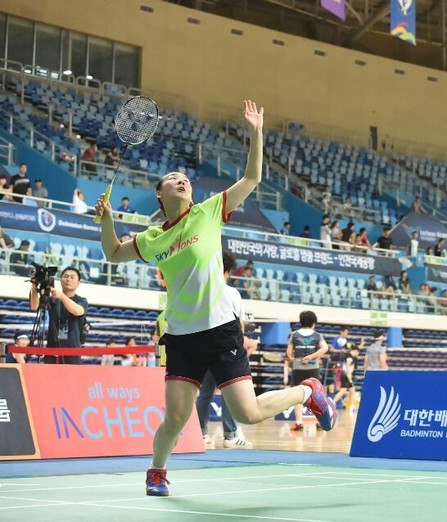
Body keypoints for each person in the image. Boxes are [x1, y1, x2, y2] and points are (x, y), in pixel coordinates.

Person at [95, 100, 336, 497]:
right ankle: (157, 472)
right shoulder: (152, 238)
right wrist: (107, 221)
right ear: (159, 194)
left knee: (249, 413)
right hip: (182, 336)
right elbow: (112, 253)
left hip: (221, 330)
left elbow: (252, 177)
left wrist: (256, 132)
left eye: (184, 177)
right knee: (175, 417)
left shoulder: (207, 212)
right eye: (173, 178)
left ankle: (308, 390)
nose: (181, 180)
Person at [196, 252, 254, 449]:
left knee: (205, 394)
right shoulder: (233, 293)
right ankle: (230, 436)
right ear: (228, 271)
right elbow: (240, 327)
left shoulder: (201, 291)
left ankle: (201, 435)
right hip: (227, 353)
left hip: (203, 349)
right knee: (230, 394)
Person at [29, 266, 88, 365]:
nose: (68, 279)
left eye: (72, 277)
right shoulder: (52, 300)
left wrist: (61, 296)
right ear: (60, 280)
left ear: (78, 283)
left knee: (71, 380)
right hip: (52, 351)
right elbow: (35, 306)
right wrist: (34, 287)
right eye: (65, 276)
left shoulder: (81, 300)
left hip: (72, 352)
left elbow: (78, 311)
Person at [286, 310, 329, 431]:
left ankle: (299, 422)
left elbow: (289, 353)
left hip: (297, 368)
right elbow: (325, 348)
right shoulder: (317, 335)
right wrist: (311, 357)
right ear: (314, 322)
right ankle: (319, 422)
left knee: (297, 395)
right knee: (317, 395)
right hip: (313, 368)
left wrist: (295, 359)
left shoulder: (294, 335)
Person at [332, 342, 360, 413]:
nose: (358, 354)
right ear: (355, 351)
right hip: (346, 375)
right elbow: (347, 365)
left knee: (345, 390)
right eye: (358, 352)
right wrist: (349, 374)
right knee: (351, 390)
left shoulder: (350, 356)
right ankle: (351, 406)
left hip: (344, 375)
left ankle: (333, 402)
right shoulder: (349, 356)